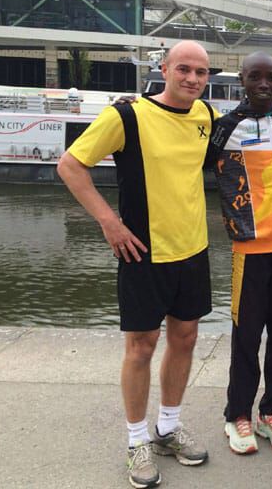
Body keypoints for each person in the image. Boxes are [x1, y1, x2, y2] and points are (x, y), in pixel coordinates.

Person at [57, 40, 214, 488]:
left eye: (201, 72)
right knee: (141, 347)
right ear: (165, 69)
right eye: (184, 69)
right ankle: (136, 440)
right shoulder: (126, 116)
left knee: (185, 339)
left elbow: (248, 121)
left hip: (193, 249)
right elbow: (70, 166)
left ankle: (168, 427)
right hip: (142, 251)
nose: (192, 79)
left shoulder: (206, 116)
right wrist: (109, 223)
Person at [206, 52, 272, 455]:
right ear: (242, 80)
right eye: (255, 77)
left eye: (271, 78)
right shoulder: (224, 127)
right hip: (249, 250)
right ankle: (237, 415)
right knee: (245, 338)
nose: (264, 84)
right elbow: (191, 160)